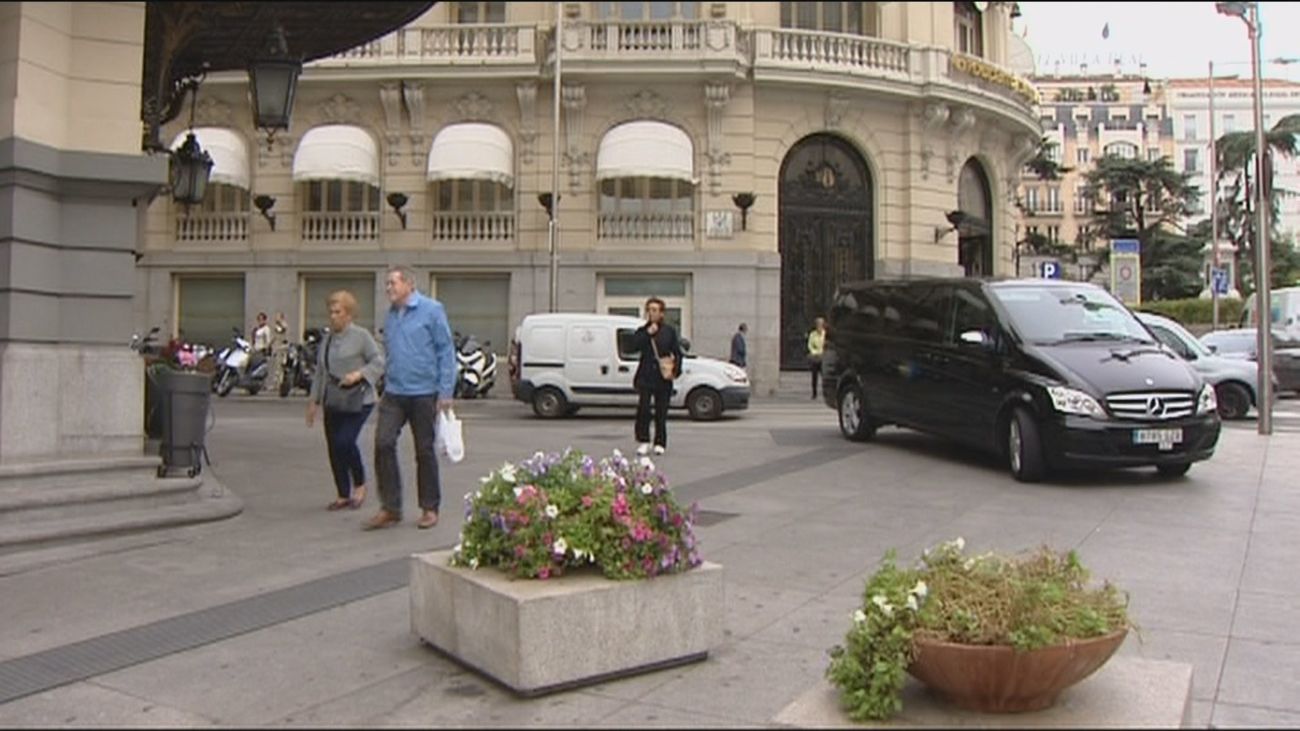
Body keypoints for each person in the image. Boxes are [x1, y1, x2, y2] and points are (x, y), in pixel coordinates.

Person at [364, 265, 457, 531]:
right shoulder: (391, 316)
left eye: (392, 283)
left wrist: (445, 390)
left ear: (408, 285)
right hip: (394, 392)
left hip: (424, 392)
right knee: (383, 443)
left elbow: (445, 351)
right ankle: (390, 507)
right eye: (387, 284)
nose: (388, 288)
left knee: (424, 450)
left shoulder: (432, 310)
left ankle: (429, 507)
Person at [306, 291, 384, 511]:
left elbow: (378, 361)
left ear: (348, 314)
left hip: (359, 399)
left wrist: (359, 374)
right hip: (335, 398)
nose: (333, 316)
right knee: (333, 446)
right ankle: (342, 493)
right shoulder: (328, 339)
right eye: (331, 312)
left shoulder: (361, 336)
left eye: (338, 312)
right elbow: (321, 372)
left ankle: (359, 484)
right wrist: (314, 402)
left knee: (345, 441)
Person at [631, 296, 683, 456]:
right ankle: (644, 440)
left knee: (661, 411)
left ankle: (660, 442)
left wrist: (675, 371)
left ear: (661, 314)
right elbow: (633, 346)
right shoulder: (642, 331)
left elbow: (678, 353)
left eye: (655, 310)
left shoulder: (669, 332)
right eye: (649, 310)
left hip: (663, 376)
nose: (651, 313)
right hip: (646, 376)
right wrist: (647, 333)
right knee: (644, 409)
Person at [807, 316, 827, 400]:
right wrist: (814, 352)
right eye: (818, 325)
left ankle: (825, 393)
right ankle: (814, 393)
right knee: (814, 376)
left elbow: (827, 345)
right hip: (815, 358)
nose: (819, 326)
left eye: (821, 325)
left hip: (823, 357)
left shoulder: (825, 334)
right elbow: (810, 345)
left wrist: (823, 353)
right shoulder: (812, 334)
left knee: (824, 377)